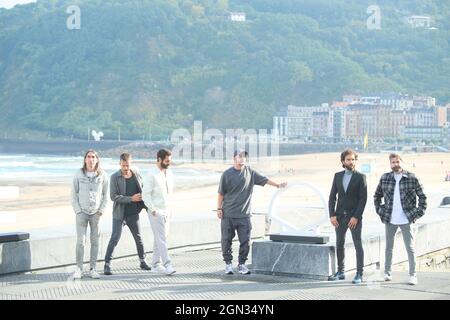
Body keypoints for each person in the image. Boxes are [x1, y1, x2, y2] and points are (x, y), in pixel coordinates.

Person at [217, 150, 287, 275]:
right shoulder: (227, 174)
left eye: (244, 157)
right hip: (228, 214)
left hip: (244, 215)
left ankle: (241, 264)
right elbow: (221, 193)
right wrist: (219, 209)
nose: (242, 158)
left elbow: (265, 180)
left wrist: (277, 185)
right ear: (234, 158)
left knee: (245, 241)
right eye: (240, 156)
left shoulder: (250, 173)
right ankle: (228, 264)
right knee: (226, 240)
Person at [374, 153, 427, 285]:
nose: (395, 164)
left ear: (401, 162)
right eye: (393, 162)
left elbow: (423, 197)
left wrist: (417, 213)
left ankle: (413, 275)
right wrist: (380, 210)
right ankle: (387, 273)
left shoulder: (412, 177)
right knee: (388, 248)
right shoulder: (385, 177)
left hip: (406, 219)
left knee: (410, 248)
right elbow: (377, 196)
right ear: (390, 163)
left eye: (397, 162)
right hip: (390, 219)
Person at [103, 152, 151, 275]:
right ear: (120, 164)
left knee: (139, 238)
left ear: (131, 163)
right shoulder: (114, 177)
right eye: (123, 165)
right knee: (115, 238)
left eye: (128, 165)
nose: (126, 168)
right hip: (119, 214)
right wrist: (131, 199)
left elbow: (143, 190)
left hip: (134, 213)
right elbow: (113, 197)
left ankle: (142, 261)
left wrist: (147, 205)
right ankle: (107, 264)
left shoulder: (136, 174)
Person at [328, 149, 367, 284]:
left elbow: (363, 199)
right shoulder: (337, 176)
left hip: (354, 218)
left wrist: (356, 216)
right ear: (343, 161)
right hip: (339, 217)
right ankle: (340, 272)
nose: (351, 162)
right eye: (348, 159)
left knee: (358, 245)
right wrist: (332, 215)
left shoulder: (360, 177)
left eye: (353, 159)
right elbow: (332, 197)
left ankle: (359, 274)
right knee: (339, 244)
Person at [71, 149, 109, 279]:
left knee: (95, 241)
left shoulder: (103, 175)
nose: (91, 159)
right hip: (81, 212)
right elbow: (73, 194)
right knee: (80, 241)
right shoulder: (78, 174)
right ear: (85, 159)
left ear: (97, 159)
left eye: (93, 157)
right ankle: (78, 269)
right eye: (89, 157)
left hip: (96, 213)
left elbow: (106, 195)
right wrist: (78, 210)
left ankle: (93, 269)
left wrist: (101, 210)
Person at [143, 149, 176, 276]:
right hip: (156, 212)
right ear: (159, 159)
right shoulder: (151, 175)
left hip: (167, 211)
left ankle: (155, 264)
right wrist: (153, 210)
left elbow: (170, 194)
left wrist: (171, 210)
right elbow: (146, 194)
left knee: (160, 238)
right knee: (162, 239)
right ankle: (168, 264)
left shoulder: (170, 173)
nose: (169, 163)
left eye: (170, 161)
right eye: (166, 161)